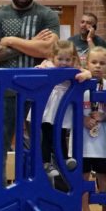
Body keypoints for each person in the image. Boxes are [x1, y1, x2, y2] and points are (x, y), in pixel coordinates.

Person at [0, 0, 60, 186]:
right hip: (5, 92)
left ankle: (37, 190)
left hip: (39, 91)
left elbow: (49, 49)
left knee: (39, 145)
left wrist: (10, 40)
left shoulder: (47, 15)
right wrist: (32, 42)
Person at [37, 40, 79, 181]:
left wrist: (84, 74)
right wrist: (40, 68)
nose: (63, 63)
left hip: (62, 106)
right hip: (48, 105)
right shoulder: (48, 65)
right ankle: (46, 162)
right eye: (60, 59)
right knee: (46, 133)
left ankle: (64, 158)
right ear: (52, 57)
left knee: (61, 133)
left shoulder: (73, 70)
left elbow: (85, 73)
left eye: (67, 60)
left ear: (73, 59)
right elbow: (37, 70)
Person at [80, 46, 106, 211]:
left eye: (102, 63)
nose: (98, 66)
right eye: (94, 62)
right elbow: (69, 109)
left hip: (102, 141)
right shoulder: (79, 86)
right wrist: (83, 119)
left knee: (104, 175)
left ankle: (105, 210)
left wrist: (104, 116)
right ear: (86, 64)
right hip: (82, 140)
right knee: (83, 176)